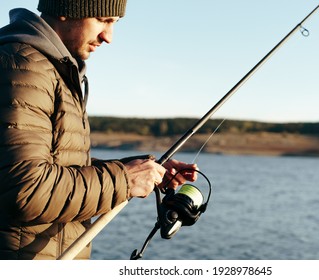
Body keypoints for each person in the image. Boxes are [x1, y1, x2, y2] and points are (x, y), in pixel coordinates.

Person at [0, 0, 198, 260]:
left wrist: (143, 169)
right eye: (103, 20)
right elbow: (26, 189)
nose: (109, 37)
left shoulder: (53, 68)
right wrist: (125, 179)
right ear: (66, 11)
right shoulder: (23, 66)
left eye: (114, 23)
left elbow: (59, 164)